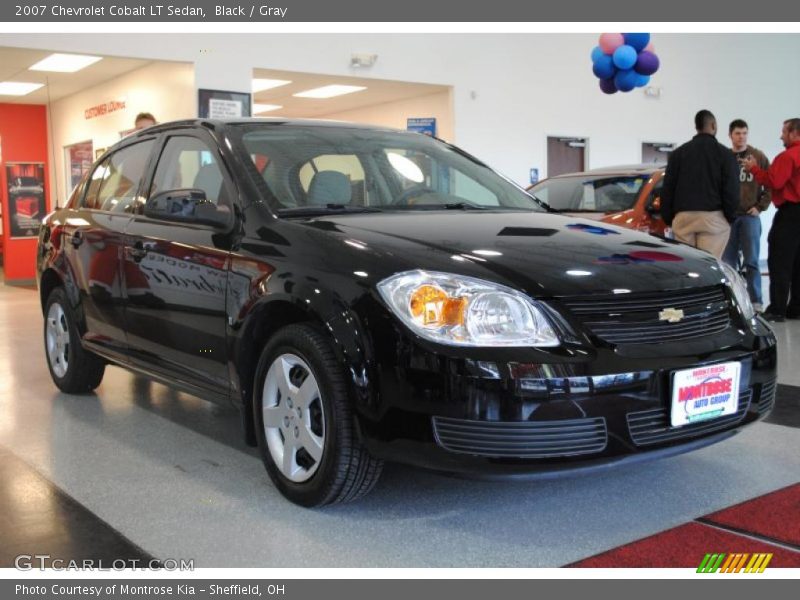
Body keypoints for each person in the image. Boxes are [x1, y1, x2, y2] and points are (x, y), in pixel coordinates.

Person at [661, 110, 740, 259]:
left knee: (686, 264)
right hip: (713, 218)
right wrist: (730, 217)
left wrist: (669, 218)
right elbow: (732, 190)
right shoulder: (725, 154)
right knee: (709, 265)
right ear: (713, 125)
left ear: (696, 127)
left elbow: (667, 189)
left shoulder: (678, 154)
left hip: (683, 217)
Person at [743, 118, 800, 322]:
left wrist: (754, 169)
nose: (781, 136)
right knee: (798, 262)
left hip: (790, 214)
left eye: (784, 132)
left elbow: (774, 181)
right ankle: (796, 308)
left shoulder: (788, 156)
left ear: (794, 133)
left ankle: (777, 309)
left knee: (779, 261)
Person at [721, 119, 771, 312]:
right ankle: (732, 302)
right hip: (729, 218)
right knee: (728, 263)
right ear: (730, 135)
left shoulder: (757, 156)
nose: (741, 137)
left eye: (744, 133)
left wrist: (760, 207)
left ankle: (756, 301)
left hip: (750, 216)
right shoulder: (725, 157)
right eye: (737, 133)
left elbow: (770, 185)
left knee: (752, 261)